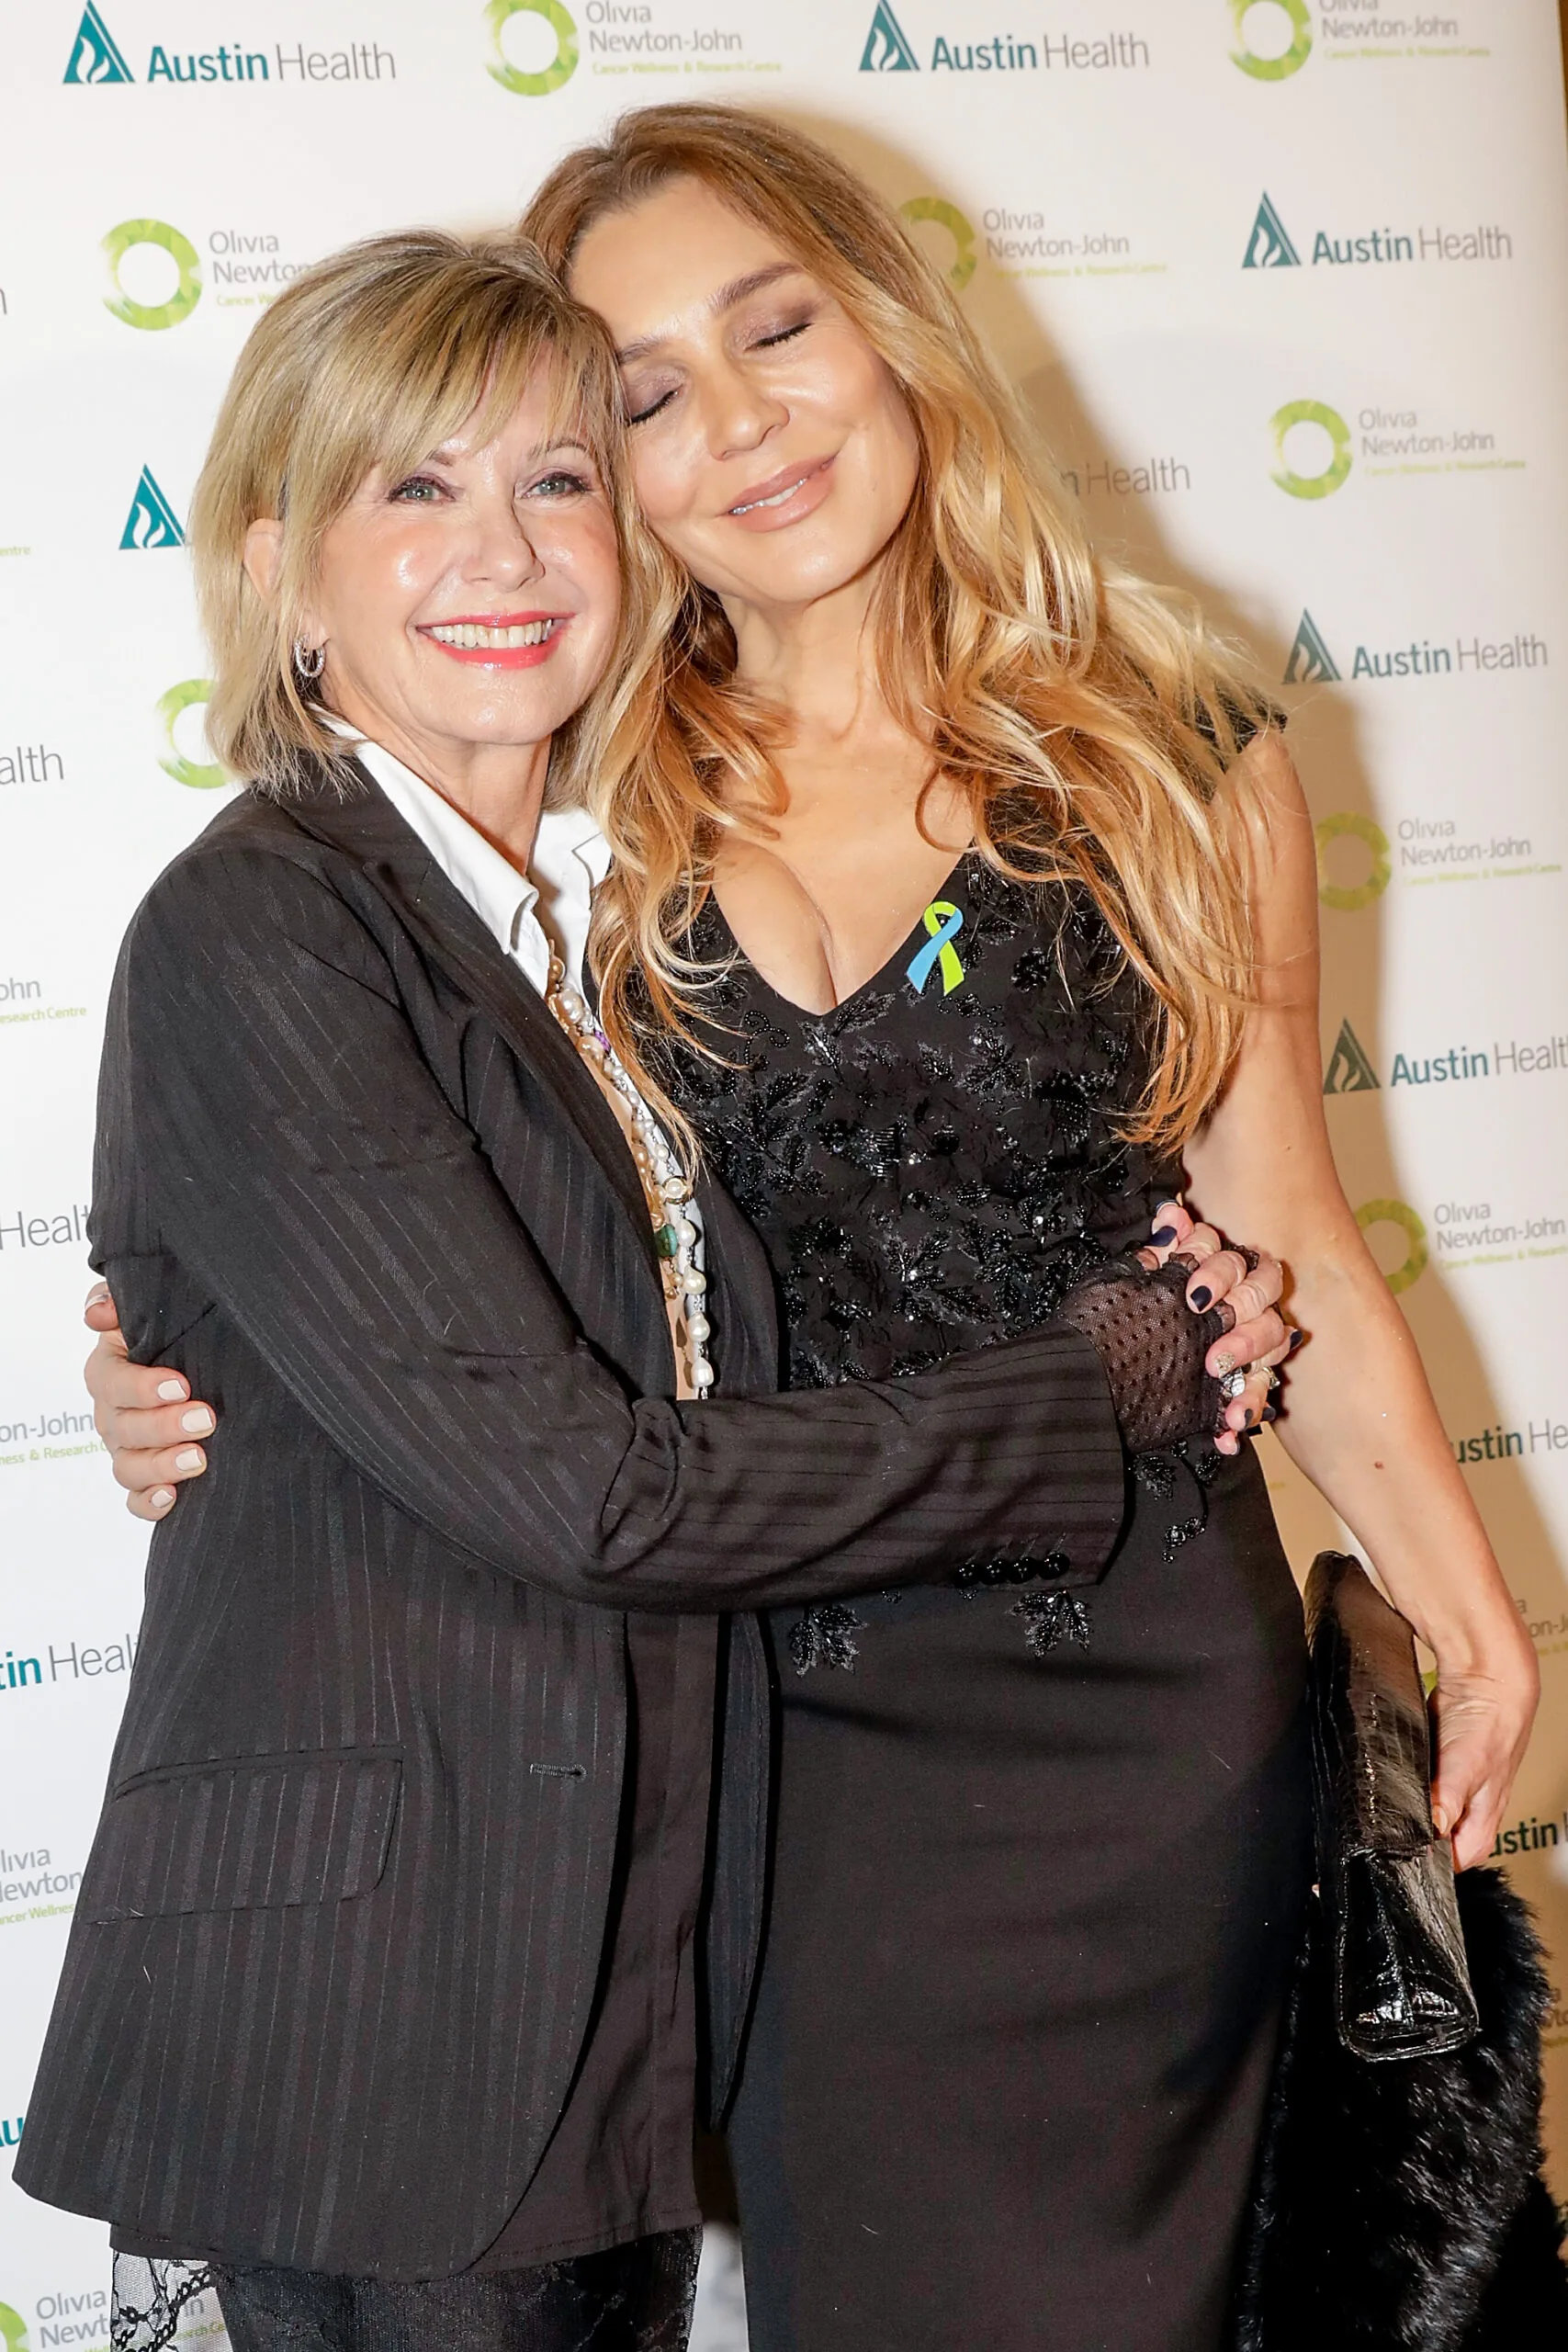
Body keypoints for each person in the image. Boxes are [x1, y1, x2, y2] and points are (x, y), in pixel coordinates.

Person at [24, 228, 1284, 2352]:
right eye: (410, 489)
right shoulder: (265, 922)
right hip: (400, 2019)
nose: (499, 548)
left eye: (553, 478)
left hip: (606, 1970)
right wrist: (1099, 1383)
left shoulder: (560, 934)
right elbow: (589, 1489)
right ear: (272, 572)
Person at [519, 107, 1535, 2352]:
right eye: (648, 393)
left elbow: (1289, 1219)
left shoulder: (1168, 744)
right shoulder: (572, 797)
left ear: (887, 328)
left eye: (773, 328)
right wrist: (166, 1372)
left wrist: (1469, 1612)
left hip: (1149, 1703)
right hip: (789, 1730)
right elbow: (420, 1226)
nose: (741, 420)